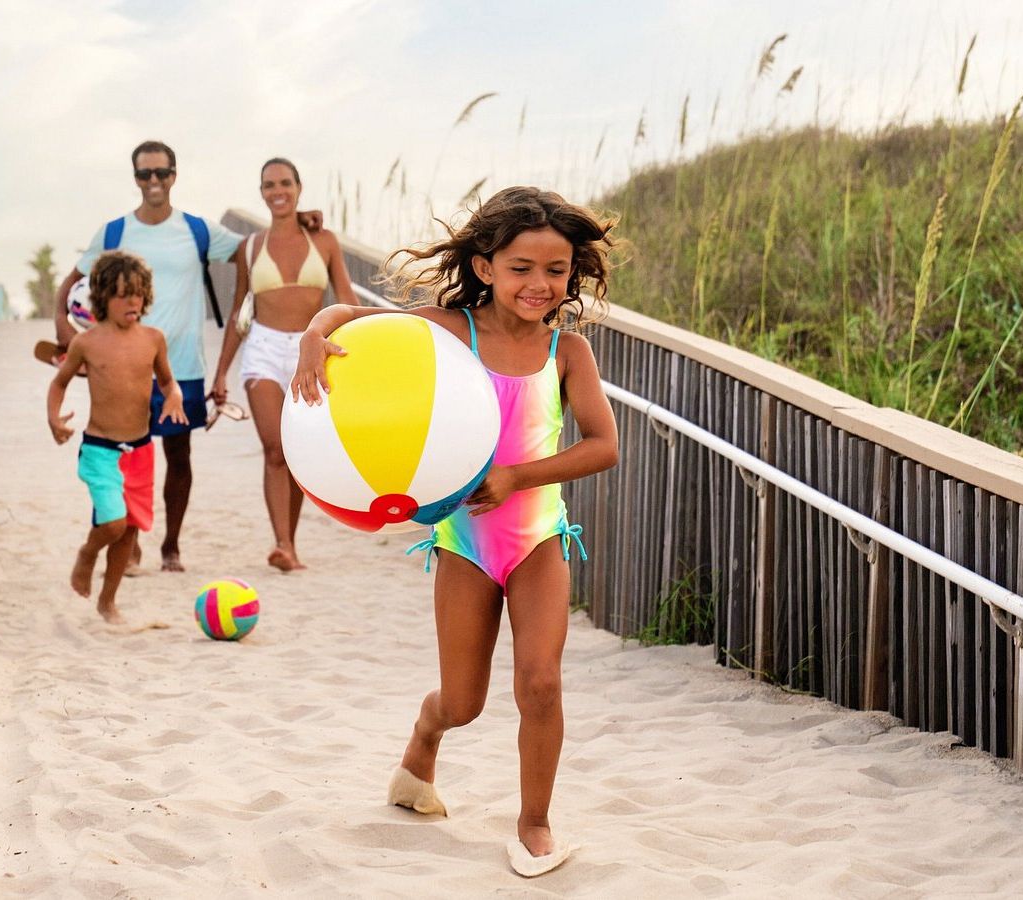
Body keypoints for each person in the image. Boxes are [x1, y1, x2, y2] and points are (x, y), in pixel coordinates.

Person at [291, 186, 620, 877]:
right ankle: (424, 737)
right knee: (464, 701)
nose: (539, 284)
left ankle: (534, 822)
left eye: (555, 270)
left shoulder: (569, 352)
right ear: (484, 267)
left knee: (541, 684)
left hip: (536, 538)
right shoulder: (448, 332)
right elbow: (349, 314)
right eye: (521, 267)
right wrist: (314, 338)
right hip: (463, 545)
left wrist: (517, 477)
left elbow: (602, 446)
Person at [54, 140, 322, 573]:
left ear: (174, 176)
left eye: (162, 173)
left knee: (179, 458)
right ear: (136, 178)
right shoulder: (114, 233)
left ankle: (171, 547)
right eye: (145, 174)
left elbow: (256, 247)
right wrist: (63, 330)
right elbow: (69, 282)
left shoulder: (199, 230)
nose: (154, 182)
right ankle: (132, 541)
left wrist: (301, 222)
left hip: (184, 368)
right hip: (126, 371)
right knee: (126, 456)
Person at [211, 158, 360, 572]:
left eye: (284, 183)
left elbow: (347, 300)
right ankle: (283, 544)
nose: (277, 191)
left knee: (295, 451)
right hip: (262, 349)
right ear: (261, 192)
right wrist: (221, 372)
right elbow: (239, 312)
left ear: (298, 187)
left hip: (310, 350)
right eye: (268, 185)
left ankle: (290, 543)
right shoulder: (250, 247)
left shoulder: (324, 240)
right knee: (275, 448)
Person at [47, 251, 187, 624]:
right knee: (111, 524)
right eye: (124, 294)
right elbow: (59, 383)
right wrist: (54, 418)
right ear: (103, 297)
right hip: (101, 450)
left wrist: (173, 395)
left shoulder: (154, 339)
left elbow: (168, 379)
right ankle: (87, 553)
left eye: (139, 294)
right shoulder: (87, 343)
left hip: (140, 451)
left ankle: (107, 602)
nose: (133, 301)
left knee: (128, 532)